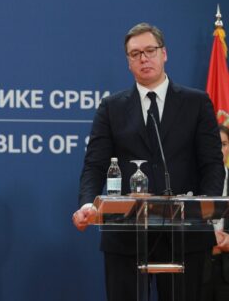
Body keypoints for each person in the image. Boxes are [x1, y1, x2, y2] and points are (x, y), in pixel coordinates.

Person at [71, 23, 225, 300]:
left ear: (164, 54)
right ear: (128, 62)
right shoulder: (111, 108)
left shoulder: (197, 103)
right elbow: (95, 165)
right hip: (126, 236)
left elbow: (213, 164)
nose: (144, 58)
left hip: (185, 235)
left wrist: (206, 210)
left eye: (150, 50)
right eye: (135, 54)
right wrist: (87, 203)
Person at [202, 124, 229, 300]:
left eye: (224, 144)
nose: (220, 149)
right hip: (199, 268)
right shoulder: (193, 182)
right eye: (215, 144)